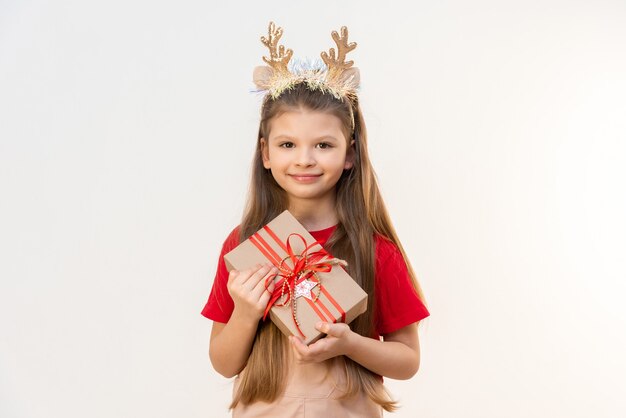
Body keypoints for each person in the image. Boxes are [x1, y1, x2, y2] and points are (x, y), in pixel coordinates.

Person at [201, 22, 430, 417]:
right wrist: (247, 312)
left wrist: (349, 344)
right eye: (287, 144)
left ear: (349, 154)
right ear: (266, 153)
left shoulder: (373, 249)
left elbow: (407, 360)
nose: (304, 158)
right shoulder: (244, 245)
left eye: (323, 145)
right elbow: (223, 362)